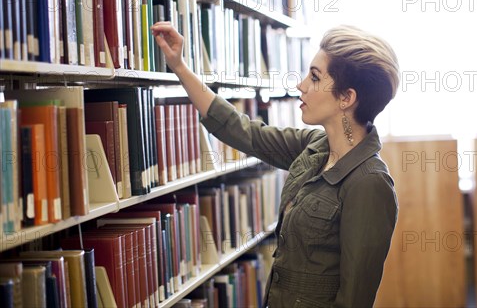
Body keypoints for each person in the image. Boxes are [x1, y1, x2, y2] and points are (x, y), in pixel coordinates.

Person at [151, 22, 400, 308]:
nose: (302, 85)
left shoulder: (369, 183)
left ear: (347, 97)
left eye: (315, 78)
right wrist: (179, 66)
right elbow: (244, 131)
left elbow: (355, 298)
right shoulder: (313, 146)